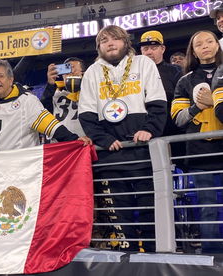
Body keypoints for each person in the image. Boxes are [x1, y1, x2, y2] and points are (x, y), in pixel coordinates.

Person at [78, 25, 167, 252]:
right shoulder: (92, 72)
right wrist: (104, 138)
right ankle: (125, 263)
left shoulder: (143, 63)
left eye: (115, 38)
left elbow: (158, 103)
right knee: (118, 217)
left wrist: (149, 129)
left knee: (150, 211)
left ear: (125, 41)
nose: (110, 43)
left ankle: (152, 257)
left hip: (142, 152)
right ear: (99, 47)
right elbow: (86, 116)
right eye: (104, 40)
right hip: (110, 158)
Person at [171, 30, 223, 253]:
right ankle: (213, 256)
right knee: (208, 209)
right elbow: (178, 119)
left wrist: (215, 100)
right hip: (201, 155)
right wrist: (197, 107)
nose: (205, 46)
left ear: (217, 45)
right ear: (193, 51)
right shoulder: (185, 80)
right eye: (199, 44)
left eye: (210, 41)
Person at [139, 30, 183, 159]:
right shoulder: (133, 74)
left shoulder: (175, 71)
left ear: (162, 49)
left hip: (170, 130)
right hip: (143, 131)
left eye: (154, 47)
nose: (149, 52)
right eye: (145, 48)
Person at [41, 57, 86, 139]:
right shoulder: (54, 92)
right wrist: (50, 84)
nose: (71, 72)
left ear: (83, 73)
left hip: (84, 142)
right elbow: (42, 110)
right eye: (67, 69)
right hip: (60, 143)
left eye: (74, 68)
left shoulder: (90, 92)